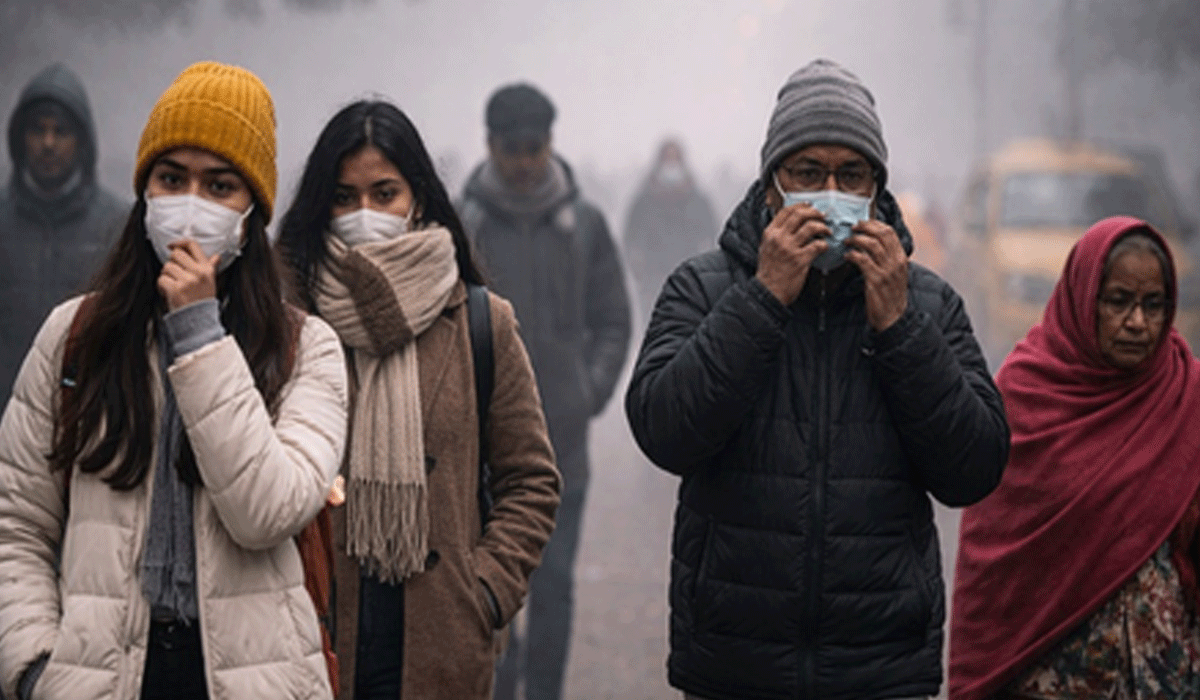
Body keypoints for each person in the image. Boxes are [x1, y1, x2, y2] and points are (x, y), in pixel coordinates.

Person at [624, 58, 1010, 700]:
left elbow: (974, 469)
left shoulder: (929, 304)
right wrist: (762, 299)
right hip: (735, 659)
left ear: (876, 189)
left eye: (850, 175)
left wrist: (901, 328)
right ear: (772, 183)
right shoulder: (703, 286)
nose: (829, 191)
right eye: (808, 172)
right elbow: (664, 431)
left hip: (880, 664)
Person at [0, 61, 348, 700]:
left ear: (253, 212)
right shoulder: (75, 337)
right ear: (144, 195)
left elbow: (266, 510)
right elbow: (16, 526)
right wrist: (31, 666)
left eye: (219, 186)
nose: (191, 204)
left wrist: (199, 335)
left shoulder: (308, 351)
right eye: (171, 179)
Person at [277, 98, 561, 700]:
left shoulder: (482, 322)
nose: (365, 215)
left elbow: (531, 480)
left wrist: (482, 591)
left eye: (385, 194)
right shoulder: (284, 319)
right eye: (344, 197)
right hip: (312, 635)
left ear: (419, 198)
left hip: (441, 642)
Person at [950, 216, 1200, 699]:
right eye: (1118, 301)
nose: (1137, 323)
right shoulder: (1027, 395)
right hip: (1051, 672)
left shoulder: (1185, 394)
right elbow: (993, 564)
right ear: (1084, 297)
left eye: (1154, 305)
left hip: (1163, 674)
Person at [458, 82, 631, 700]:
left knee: (554, 583)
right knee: (493, 590)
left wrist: (589, 388)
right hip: (478, 449)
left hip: (563, 444)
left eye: (535, 147)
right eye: (513, 149)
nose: (526, 161)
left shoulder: (582, 224)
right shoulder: (462, 222)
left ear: (551, 144)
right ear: (491, 146)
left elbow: (613, 316)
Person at [0, 63, 128, 399]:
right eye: (37, 129)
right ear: (19, 137)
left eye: (61, 131)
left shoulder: (116, 226)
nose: (48, 143)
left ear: (82, 140)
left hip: (83, 415)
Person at [622, 138, 719, 326]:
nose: (671, 166)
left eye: (675, 161)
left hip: (691, 283)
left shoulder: (698, 201)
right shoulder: (644, 201)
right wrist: (638, 269)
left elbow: (713, 236)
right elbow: (629, 238)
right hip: (652, 282)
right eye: (667, 160)